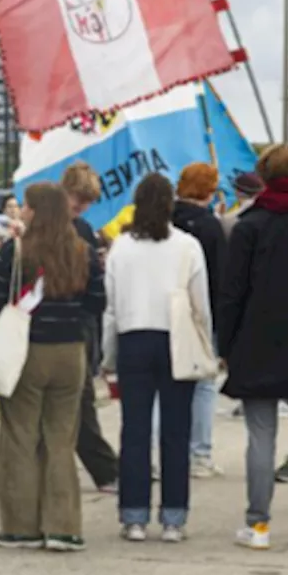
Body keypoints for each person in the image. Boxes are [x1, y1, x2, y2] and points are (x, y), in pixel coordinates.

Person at [0, 181, 105, 552]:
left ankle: (20, 528)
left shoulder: (15, 253)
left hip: (25, 352)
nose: (22, 212)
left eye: (26, 207)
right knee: (62, 437)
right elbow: (97, 302)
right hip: (70, 353)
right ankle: (64, 527)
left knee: (19, 436)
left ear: (37, 211)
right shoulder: (83, 251)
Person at [102, 173, 211, 543]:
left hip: (133, 337)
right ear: (170, 204)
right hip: (176, 339)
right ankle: (173, 518)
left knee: (134, 429)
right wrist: (208, 345)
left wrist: (108, 354)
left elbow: (111, 306)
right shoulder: (188, 246)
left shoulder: (121, 247)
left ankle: (133, 516)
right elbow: (201, 304)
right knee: (176, 430)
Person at [218, 144, 288, 550]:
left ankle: (259, 525)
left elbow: (231, 293)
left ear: (264, 176)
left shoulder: (248, 225)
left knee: (261, 436)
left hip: (256, 341)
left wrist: (225, 344)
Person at [61, 161, 120, 494]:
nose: (82, 206)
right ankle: (105, 469)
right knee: (80, 400)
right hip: (74, 322)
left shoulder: (82, 227)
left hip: (79, 324)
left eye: (87, 200)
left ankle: (105, 467)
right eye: (78, 198)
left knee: (79, 400)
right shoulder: (72, 229)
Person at [171, 163, 227, 479]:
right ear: (209, 190)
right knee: (204, 385)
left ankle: (159, 451)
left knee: (163, 385)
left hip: (166, 313)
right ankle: (199, 452)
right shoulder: (210, 227)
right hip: (201, 313)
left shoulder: (164, 220)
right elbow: (220, 276)